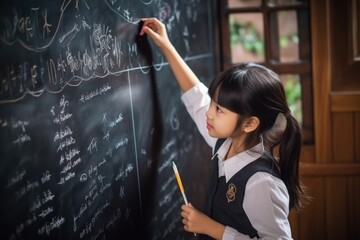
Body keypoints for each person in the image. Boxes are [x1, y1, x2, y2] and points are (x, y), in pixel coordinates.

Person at [140, 18, 307, 240]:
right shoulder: (224, 142)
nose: (209, 112)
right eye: (213, 102)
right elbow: (195, 95)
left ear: (250, 124)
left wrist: (212, 228)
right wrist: (166, 46)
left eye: (219, 109)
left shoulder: (261, 183)